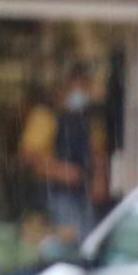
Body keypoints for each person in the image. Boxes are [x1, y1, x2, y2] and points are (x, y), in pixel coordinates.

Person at [18, 64, 106, 239]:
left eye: (85, 88)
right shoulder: (45, 116)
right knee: (66, 238)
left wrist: (99, 179)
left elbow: (98, 150)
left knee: (87, 236)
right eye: (78, 87)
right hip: (53, 191)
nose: (81, 93)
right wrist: (59, 170)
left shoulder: (89, 119)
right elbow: (28, 155)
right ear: (65, 88)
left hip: (83, 190)